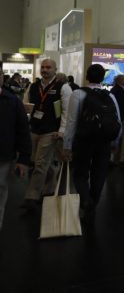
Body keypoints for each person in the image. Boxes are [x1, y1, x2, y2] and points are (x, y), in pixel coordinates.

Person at [62, 64, 121, 222]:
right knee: (99, 173)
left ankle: (86, 200)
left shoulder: (78, 94)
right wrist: (115, 141)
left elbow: (72, 122)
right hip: (104, 141)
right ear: (102, 78)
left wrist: (67, 146)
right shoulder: (110, 96)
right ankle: (93, 202)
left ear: (86, 76)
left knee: (80, 173)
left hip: (84, 140)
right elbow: (117, 121)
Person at [21, 58, 66, 212]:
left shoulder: (63, 87)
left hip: (51, 131)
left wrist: (62, 130)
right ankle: (49, 188)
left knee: (40, 163)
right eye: (43, 67)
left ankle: (31, 197)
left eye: (48, 67)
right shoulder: (33, 86)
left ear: (55, 69)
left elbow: (66, 110)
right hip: (34, 128)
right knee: (38, 161)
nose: (45, 70)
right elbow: (25, 105)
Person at [0, 72, 32, 230]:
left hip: (3, 157)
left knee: (0, 192)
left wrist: (23, 159)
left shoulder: (12, 101)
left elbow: (23, 131)